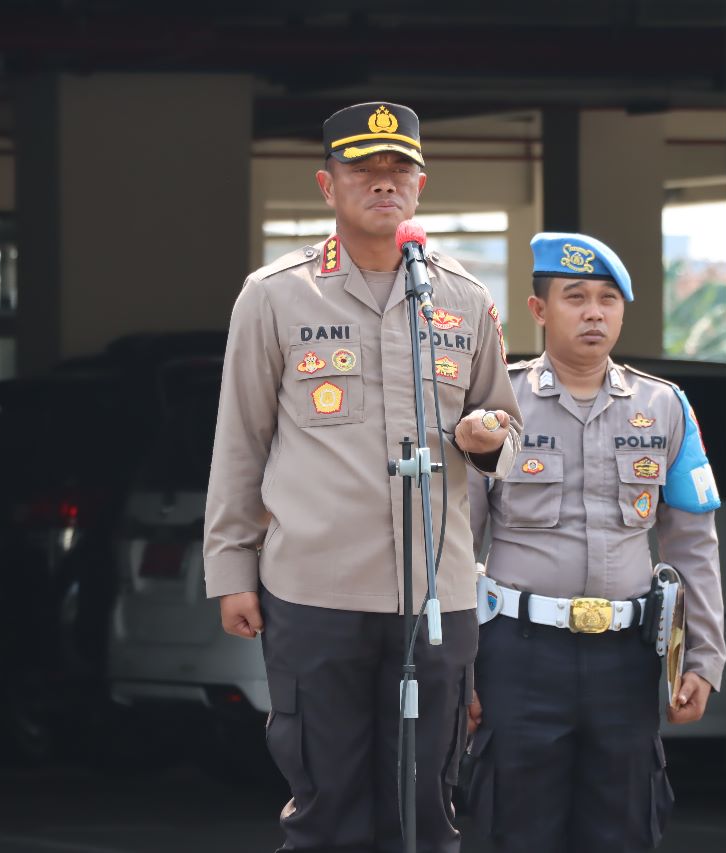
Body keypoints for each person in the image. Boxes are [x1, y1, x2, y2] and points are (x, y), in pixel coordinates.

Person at [203, 101, 523, 853]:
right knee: (328, 807)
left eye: (399, 170)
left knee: (426, 808)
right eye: (364, 170)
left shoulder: (462, 298)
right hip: (316, 587)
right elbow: (240, 438)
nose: (385, 183)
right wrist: (231, 569)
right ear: (327, 184)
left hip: (436, 595)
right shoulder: (276, 294)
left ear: (420, 184)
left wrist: (486, 437)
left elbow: (505, 434)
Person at [463, 232, 726, 852]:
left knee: (624, 828)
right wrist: (458, 666)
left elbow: (693, 543)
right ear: (538, 310)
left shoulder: (667, 408)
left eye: (608, 299)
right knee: (518, 829)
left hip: (628, 659)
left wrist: (705, 659)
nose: (593, 313)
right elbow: (456, 539)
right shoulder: (496, 406)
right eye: (575, 297)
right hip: (519, 656)